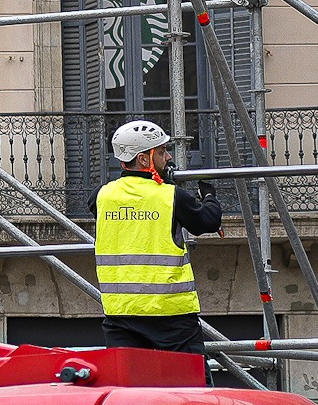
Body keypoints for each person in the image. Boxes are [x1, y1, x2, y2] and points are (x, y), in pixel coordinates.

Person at [95, 118, 223, 355]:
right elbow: (208, 221)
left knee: (132, 389)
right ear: (144, 159)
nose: (169, 157)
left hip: (121, 315)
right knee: (189, 388)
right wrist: (209, 196)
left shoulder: (101, 196)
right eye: (162, 152)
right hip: (171, 316)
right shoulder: (170, 196)